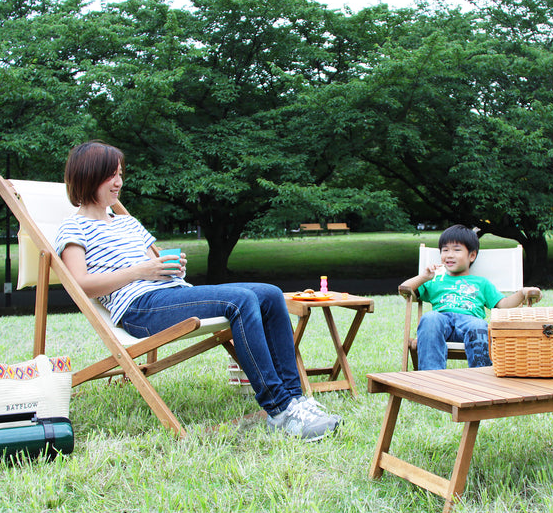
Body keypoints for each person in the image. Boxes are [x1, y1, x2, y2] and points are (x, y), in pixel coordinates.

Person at [54, 140, 339, 441]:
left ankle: (294, 399)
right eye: (112, 175)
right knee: (241, 300)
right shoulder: (74, 228)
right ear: (89, 176)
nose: (119, 182)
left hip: (170, 293)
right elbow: (81, 285)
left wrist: (173, 267)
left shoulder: (128, 222)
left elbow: (158, 261)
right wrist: (141, 271)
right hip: (139, 308)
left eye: (121, 174)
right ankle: (280, 410)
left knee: (268, 293)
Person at [399, 224, 542, 371]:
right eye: (445, 250)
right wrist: (423, 277)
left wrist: (522, 293)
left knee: (480, 326)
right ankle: (431, 378)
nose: (449, 255)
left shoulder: (481, 283)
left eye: (456, 250)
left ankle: (482, 378)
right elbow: (404, 290)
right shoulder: (434, 280)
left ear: (472, 255)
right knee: (429, 318)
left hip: (471, 322)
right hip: (441, 322)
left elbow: (503, 304)